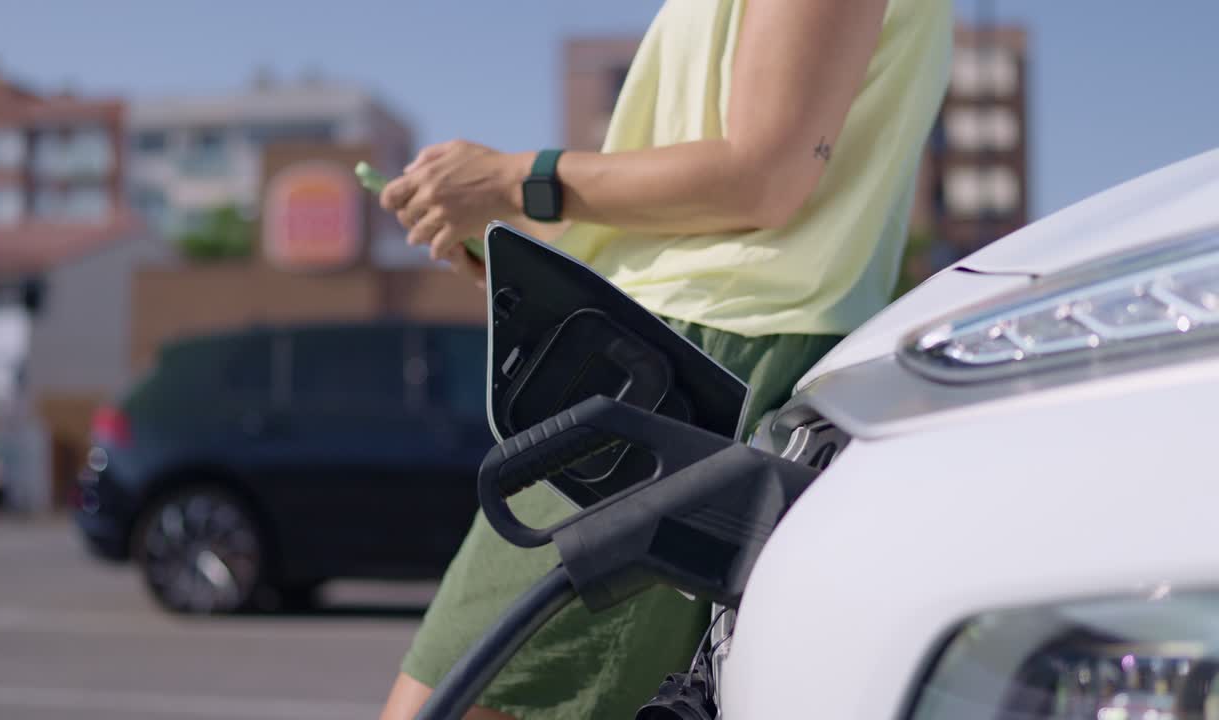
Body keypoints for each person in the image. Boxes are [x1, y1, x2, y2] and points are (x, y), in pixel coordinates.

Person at [378, 0, 952, 716]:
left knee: (455, 704)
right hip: (684, 353)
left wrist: (509, 179)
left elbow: (764, 174)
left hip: (682, 368)